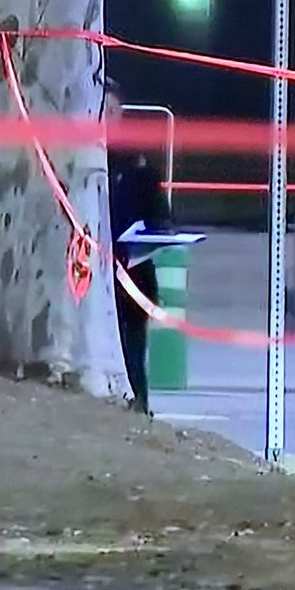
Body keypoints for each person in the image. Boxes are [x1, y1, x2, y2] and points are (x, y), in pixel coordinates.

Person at [105, 78, 171, 416]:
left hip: (131, 281)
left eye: (111, 111)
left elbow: (161, 218)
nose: (104, 117)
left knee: (132, 354)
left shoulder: (137, 164)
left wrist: (143, 241)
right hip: (85, 280)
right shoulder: (74, 158)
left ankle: (140, 410)